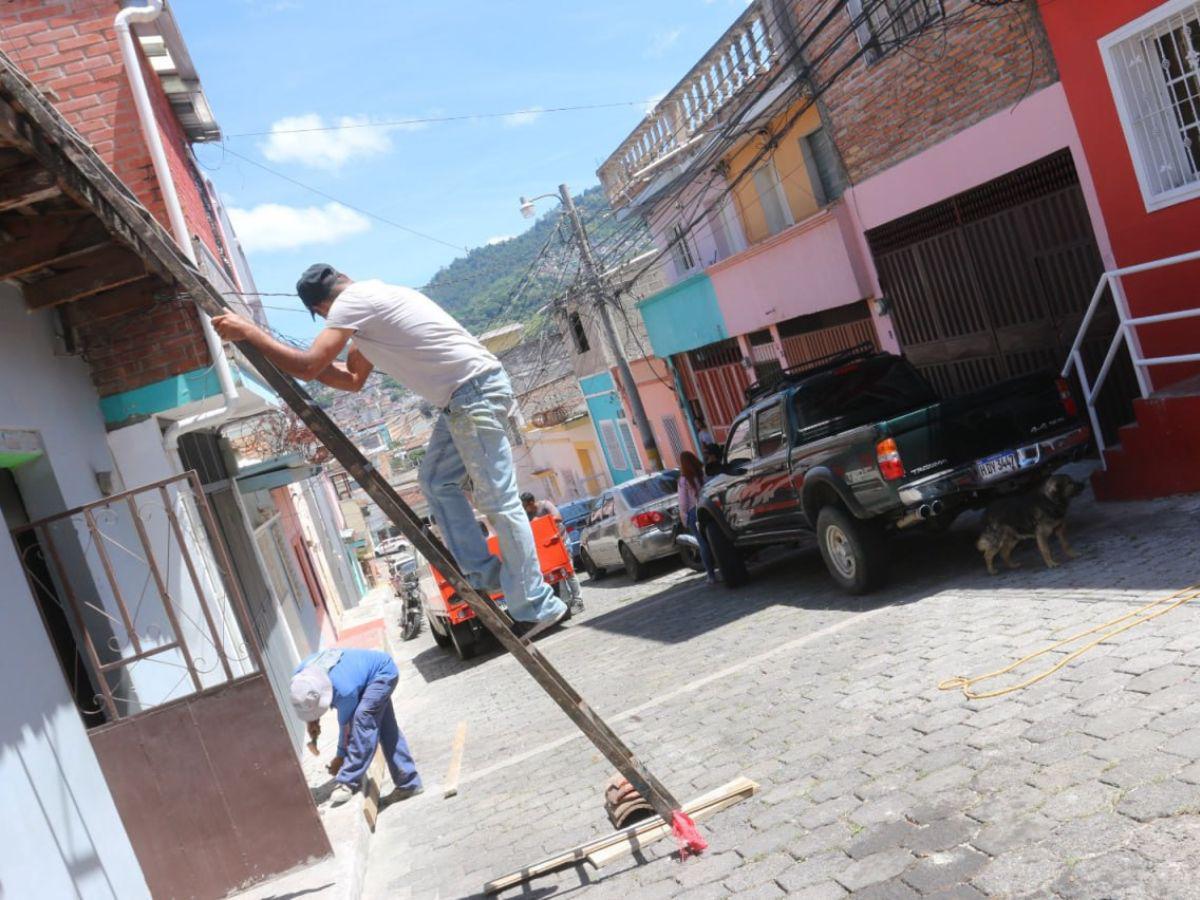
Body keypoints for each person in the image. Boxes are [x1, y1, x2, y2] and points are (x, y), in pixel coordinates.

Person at [212, 265, 568, 639]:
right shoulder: (370, 312)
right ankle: (490, 575)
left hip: (473, 393)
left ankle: (536, 604)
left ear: (321, 309)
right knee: (435, 483)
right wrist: (279, 356)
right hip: (462, 399)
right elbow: (350, 380)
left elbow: (310, 364)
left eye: (321, 317)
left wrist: (250, 334)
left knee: (498, 500)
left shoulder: (352, 303)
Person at [290, 648, 422, 807]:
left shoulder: (345, 691)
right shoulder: (301, 677)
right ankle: (409, 783)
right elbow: (309, 697)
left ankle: (348, 782)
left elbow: (347, 729)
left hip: (382, 674)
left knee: (363, 720)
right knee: (387, 730)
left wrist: (340, 756)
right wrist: (312, 720)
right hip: (363, 675)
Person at [520, 491, 585, 615]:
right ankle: (567, 602)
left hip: (560, 543)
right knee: (557, 576)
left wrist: (539, 521)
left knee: (569, 572)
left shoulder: (545, 505)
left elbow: (559, 517)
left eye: (525, 506)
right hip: (545, 548)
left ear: (531, 503)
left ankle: (578, 601)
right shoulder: (527, 514)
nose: (524, 509)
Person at [678, 450, 718, 584]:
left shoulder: (683, 480)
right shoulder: (703, 473)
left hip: (693, 512)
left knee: (703, 544)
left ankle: (711, 575)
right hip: (708, 508)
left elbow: (683, 503)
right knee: (715, 540)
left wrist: (684, 518)